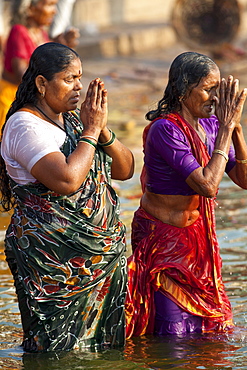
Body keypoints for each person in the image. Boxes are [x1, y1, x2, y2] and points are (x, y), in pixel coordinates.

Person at [0, 42, 134, 352]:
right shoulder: (25, 125)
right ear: (42, 83)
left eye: (80, 77)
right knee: (55, 349)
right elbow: (67, 180)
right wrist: (91, 131)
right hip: (52, 262)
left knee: (100, 349)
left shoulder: (73, 120)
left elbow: (125, 169)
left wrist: (102, 132)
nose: (79, 87)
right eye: (69, 78)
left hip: (97, 262)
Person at [125, 51, 247, 338]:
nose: (216, 98)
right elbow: (207, 185)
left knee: (208, 334)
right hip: (164, 244)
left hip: (197, 244)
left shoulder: (211, 125)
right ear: (182, 89)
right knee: (173, 337)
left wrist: (236, 132)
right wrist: (226, 128)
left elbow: (243, 179)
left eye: (219, 90)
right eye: (208, 89)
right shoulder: (165, 129)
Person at [0, 0, 79, 129]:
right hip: (11, 99)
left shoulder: (41, 33)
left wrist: (62, 47)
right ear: (30, 9)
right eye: (49, 5)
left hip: (30, 99)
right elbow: (24, 76)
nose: (55, 11)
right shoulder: (18, 31)